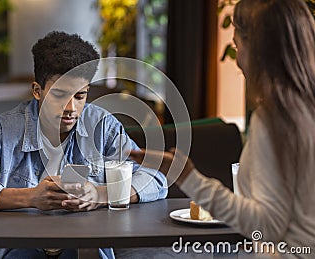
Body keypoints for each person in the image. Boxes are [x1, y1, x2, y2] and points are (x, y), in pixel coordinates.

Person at [0, 31, 167, 259]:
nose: (71, 108)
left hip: (85, 248)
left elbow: (155, 179)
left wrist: (100, 195)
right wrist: (30, 197)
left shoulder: (102, 126)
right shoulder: (2, 130)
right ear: (37, 91)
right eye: (59, 95)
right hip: (19, 248)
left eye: (80, 96)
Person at [130, 0, 315, 257]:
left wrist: (188, 177)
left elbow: (266, 227)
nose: (237, 58)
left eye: (239, 46)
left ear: (259, 51)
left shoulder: (274, 120)